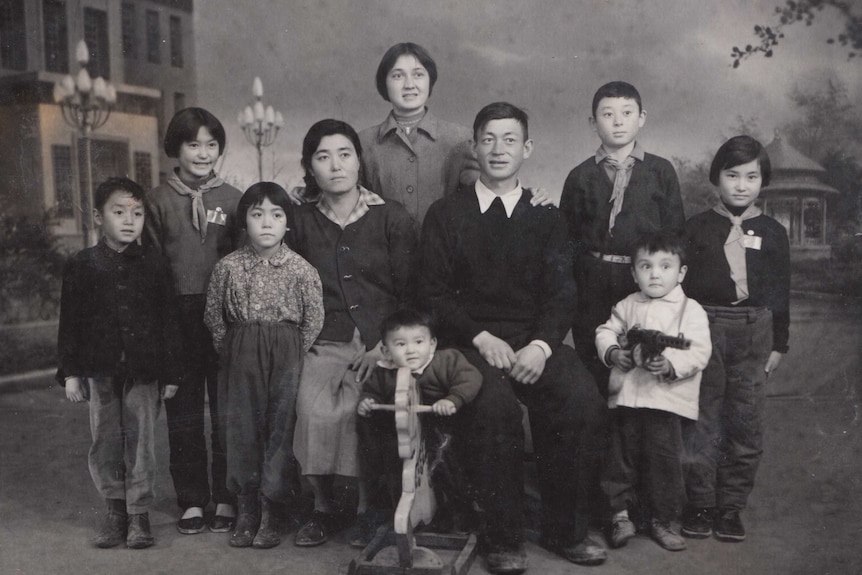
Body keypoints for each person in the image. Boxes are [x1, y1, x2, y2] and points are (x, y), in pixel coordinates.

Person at [418, 102, 607, 573]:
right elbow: (433, 294)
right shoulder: (446, 214)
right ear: (474, 147)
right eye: (488, 139)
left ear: (527, 149)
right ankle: (503, 538)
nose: (498, 150)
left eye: (509, 140)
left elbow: (563, 293)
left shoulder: (547, 217)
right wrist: (481, 338)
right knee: (493, 407)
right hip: (469, 344)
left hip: (532, 342)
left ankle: (567, 531)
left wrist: (542, 347)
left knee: (580, 397)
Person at [287, 119, 417, 547]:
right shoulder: (301, 221)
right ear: (310, 167)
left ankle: (367, 511)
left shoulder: (391, 217)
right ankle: (323, 509)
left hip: (384, 341)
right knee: (312, 408)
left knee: (360, 410)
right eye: (323, 157)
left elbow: (410, 290)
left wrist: (384, 345)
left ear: (359, 161)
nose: (336, 166)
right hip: (324, 341)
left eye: (345, 154)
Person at [57, 177, 184, 549]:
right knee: (106, 440)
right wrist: (71, 373)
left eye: (138, 213)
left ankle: (139, 514)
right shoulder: (83, 265)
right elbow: (71, 324)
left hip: (144, 372)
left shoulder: (155, 264)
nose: (129, 220)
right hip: (100, 371)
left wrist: (172, 372)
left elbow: (169, 321)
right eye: (118, 212)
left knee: (141, 441)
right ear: (98, 216)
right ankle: (115, 510)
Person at [681, 135, 790, 543]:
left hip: (755, 329)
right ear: (716, 178)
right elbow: (680, 289)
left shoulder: (773, 232)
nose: (741, 185)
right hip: (705, 326)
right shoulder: (696, 228)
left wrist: (780, 343)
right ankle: (700, 504)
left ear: (763, 181)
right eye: (732, 175)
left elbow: (781, 290)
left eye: (751, 176)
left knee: (744, 424)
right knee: (701, 421)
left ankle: (730, 507)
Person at [204, 182, 324, 548]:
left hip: (286, 353)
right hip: (240, 353)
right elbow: (214, 316)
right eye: (257, 215)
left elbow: (313, 319)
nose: (267, 223)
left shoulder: (302, 270)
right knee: (240, 426)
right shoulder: (228, 268)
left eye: (276, 215)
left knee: (280, 425)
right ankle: (247, 508)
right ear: (245, 221)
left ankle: (273, 506)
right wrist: (236, 348)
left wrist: (290, 350)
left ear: (288, 223)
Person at [145, 107, 244, 534]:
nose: (203, 153)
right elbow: (150, 266)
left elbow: (244, 260)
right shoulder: (156, 200)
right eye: (192, 144)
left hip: (223, 314)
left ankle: (226, 495)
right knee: (182, 410)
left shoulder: (235, 199)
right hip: (176, 316)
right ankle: (191, 499)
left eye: (211, 144)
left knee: (226, 410)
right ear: (175, 148)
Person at [559, 81, 685, 396]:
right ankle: (601, 443)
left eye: (627, 113)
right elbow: (568, 242)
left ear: (641, 117)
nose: (618, 121)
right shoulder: (580, 177)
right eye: (608, 114)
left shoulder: (660, 171)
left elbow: (675, 235)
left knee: (645, 368)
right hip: (594, 286)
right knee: (597, 367)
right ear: (593, 123)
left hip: (645, 283)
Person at [595, 232, 711, 552]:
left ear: (681, 273)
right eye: (645, 266)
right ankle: (618, 515)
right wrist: (612, 352)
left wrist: (672, 365)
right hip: (629, 398)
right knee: (620, 458)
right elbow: (606, 331)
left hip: (666, 401)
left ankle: (662, 519)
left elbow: (699, 350)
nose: (655, 274)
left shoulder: (691, 310)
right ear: (634, 273)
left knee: (664, 463)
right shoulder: (627, 305)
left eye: (665, 266)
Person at [355, 308, 482, 546]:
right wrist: (367, 404)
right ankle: (395, 515)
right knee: (393, 466)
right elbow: (371, 392)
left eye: (419, 342)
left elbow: (471, 378)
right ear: (386, 350)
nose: (411, 350)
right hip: (407, 436)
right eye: (400, 344)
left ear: (432, 344)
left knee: (449, 468)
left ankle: (458, 515)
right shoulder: (384, 372)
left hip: (441, 432)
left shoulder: (446, 360)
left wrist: (452, 399)